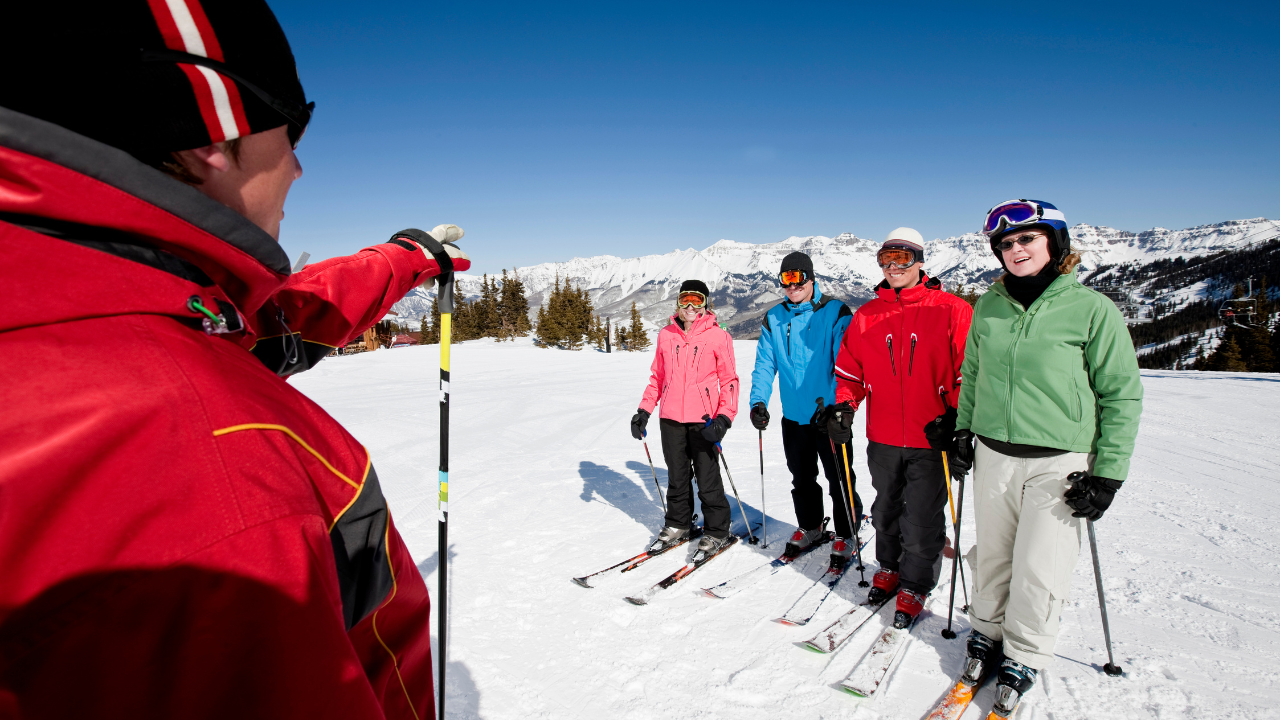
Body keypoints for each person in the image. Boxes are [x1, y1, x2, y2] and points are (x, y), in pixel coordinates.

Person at [0, 3, 467, 718]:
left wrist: (401, 260)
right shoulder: (216, 463)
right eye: (289, 134)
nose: (301, 167)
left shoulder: (80, 298)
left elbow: (277, 319)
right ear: (204, 140)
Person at [949, 199, 1143, 716]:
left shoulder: (1091, 309)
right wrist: (965, 429)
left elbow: (1120, 394)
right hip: (994, 453)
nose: (1016, 250)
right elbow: (975, 376)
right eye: (1006, 244)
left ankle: (1024, 653)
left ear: (1055, 245)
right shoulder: (989, 306)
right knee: (990, 555)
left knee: (1040, 567)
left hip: (1060, 459)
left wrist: (1108, 473)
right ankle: (986, 636)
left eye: (1027, 239)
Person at [829, 228, 973, 628]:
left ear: (920, 261)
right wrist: (845, 406)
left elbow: (970, 373)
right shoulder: (867, 315)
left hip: (933, 435)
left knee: (923, 516)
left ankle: (915, 584)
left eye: (901, 259)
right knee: (885, 510)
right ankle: (889, 568)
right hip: (884, 435)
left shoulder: (951, 310)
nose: (892, 267)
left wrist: (959, 421)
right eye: (885, 259)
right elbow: (850, 373)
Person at [748, 251, 862, 566]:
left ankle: (847, 530)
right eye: (786, 279)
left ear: (811, 278)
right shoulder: (775, 317)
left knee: (839, 477)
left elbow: (847, 363)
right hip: (794, 416)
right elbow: (764, 364)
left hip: (829, 416)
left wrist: (842, 407)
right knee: (802, 477)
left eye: (798, 278)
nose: (793, 285)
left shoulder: (835, 312)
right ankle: (811, 525)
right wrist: (758, 401)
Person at [631, 280, 740, 560]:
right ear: (677, 303)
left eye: (697, 300)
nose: (690, 307)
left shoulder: (718, 336)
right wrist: (644, 410)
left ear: (706, 303)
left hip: (704, 419)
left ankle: (717, 530)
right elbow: (658, 377)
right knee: (677, 476)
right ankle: (679, 524)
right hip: (670, 418)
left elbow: (729, 380)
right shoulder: (666, 334)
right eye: (685, 300)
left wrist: (724, 418)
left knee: (707, 476)